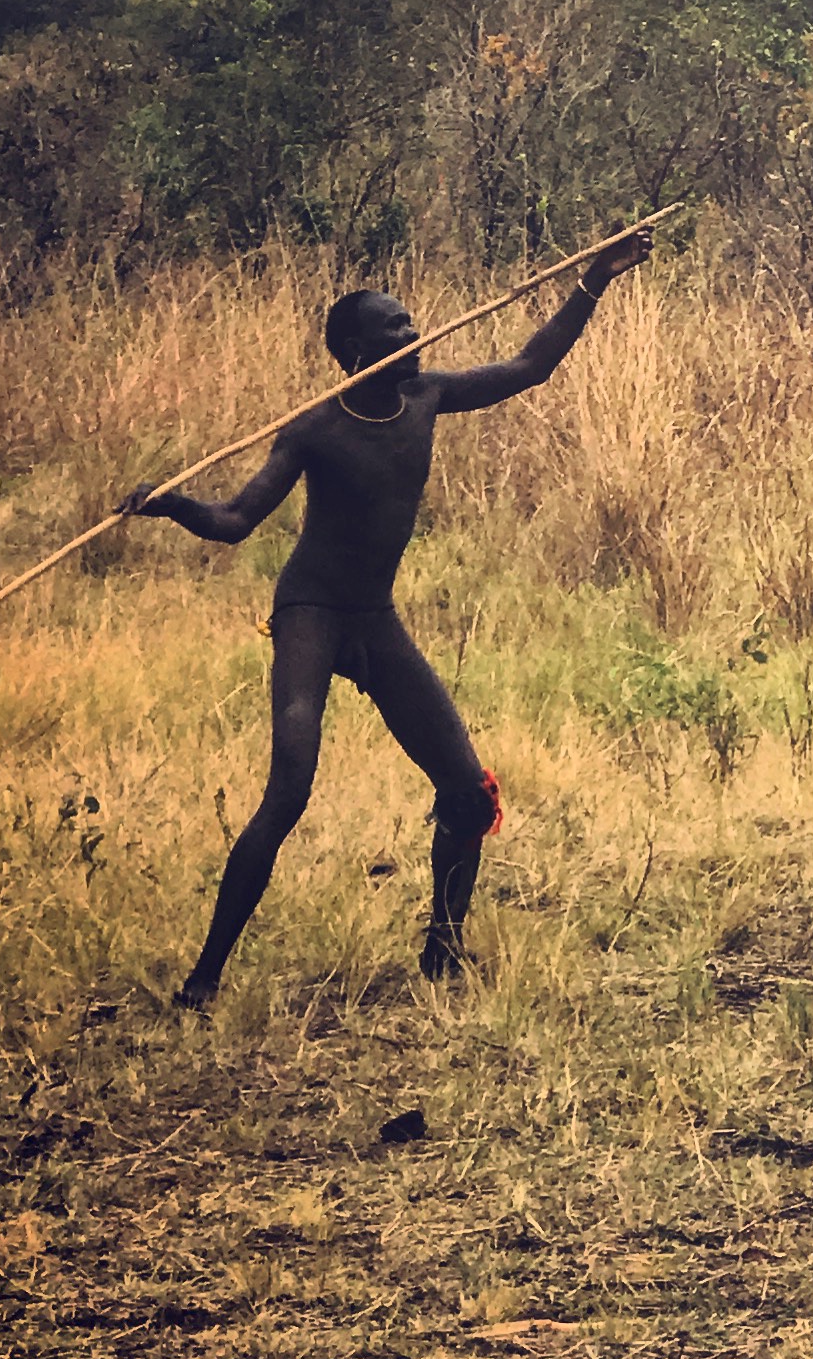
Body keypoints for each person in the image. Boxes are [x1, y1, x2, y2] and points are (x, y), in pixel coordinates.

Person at [126, 236, 652, 1008]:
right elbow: (237, 519)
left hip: (374, 617)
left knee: (468, 790)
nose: (415, 337)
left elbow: (528, 369)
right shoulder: (315, 430)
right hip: (311, 612)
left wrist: (592, 284)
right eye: (394, 331)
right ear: (352, 352)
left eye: (411, 325)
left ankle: (443, 948)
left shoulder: (428, 396)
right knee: (290, 790)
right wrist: (171, 505)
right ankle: (204, 979)